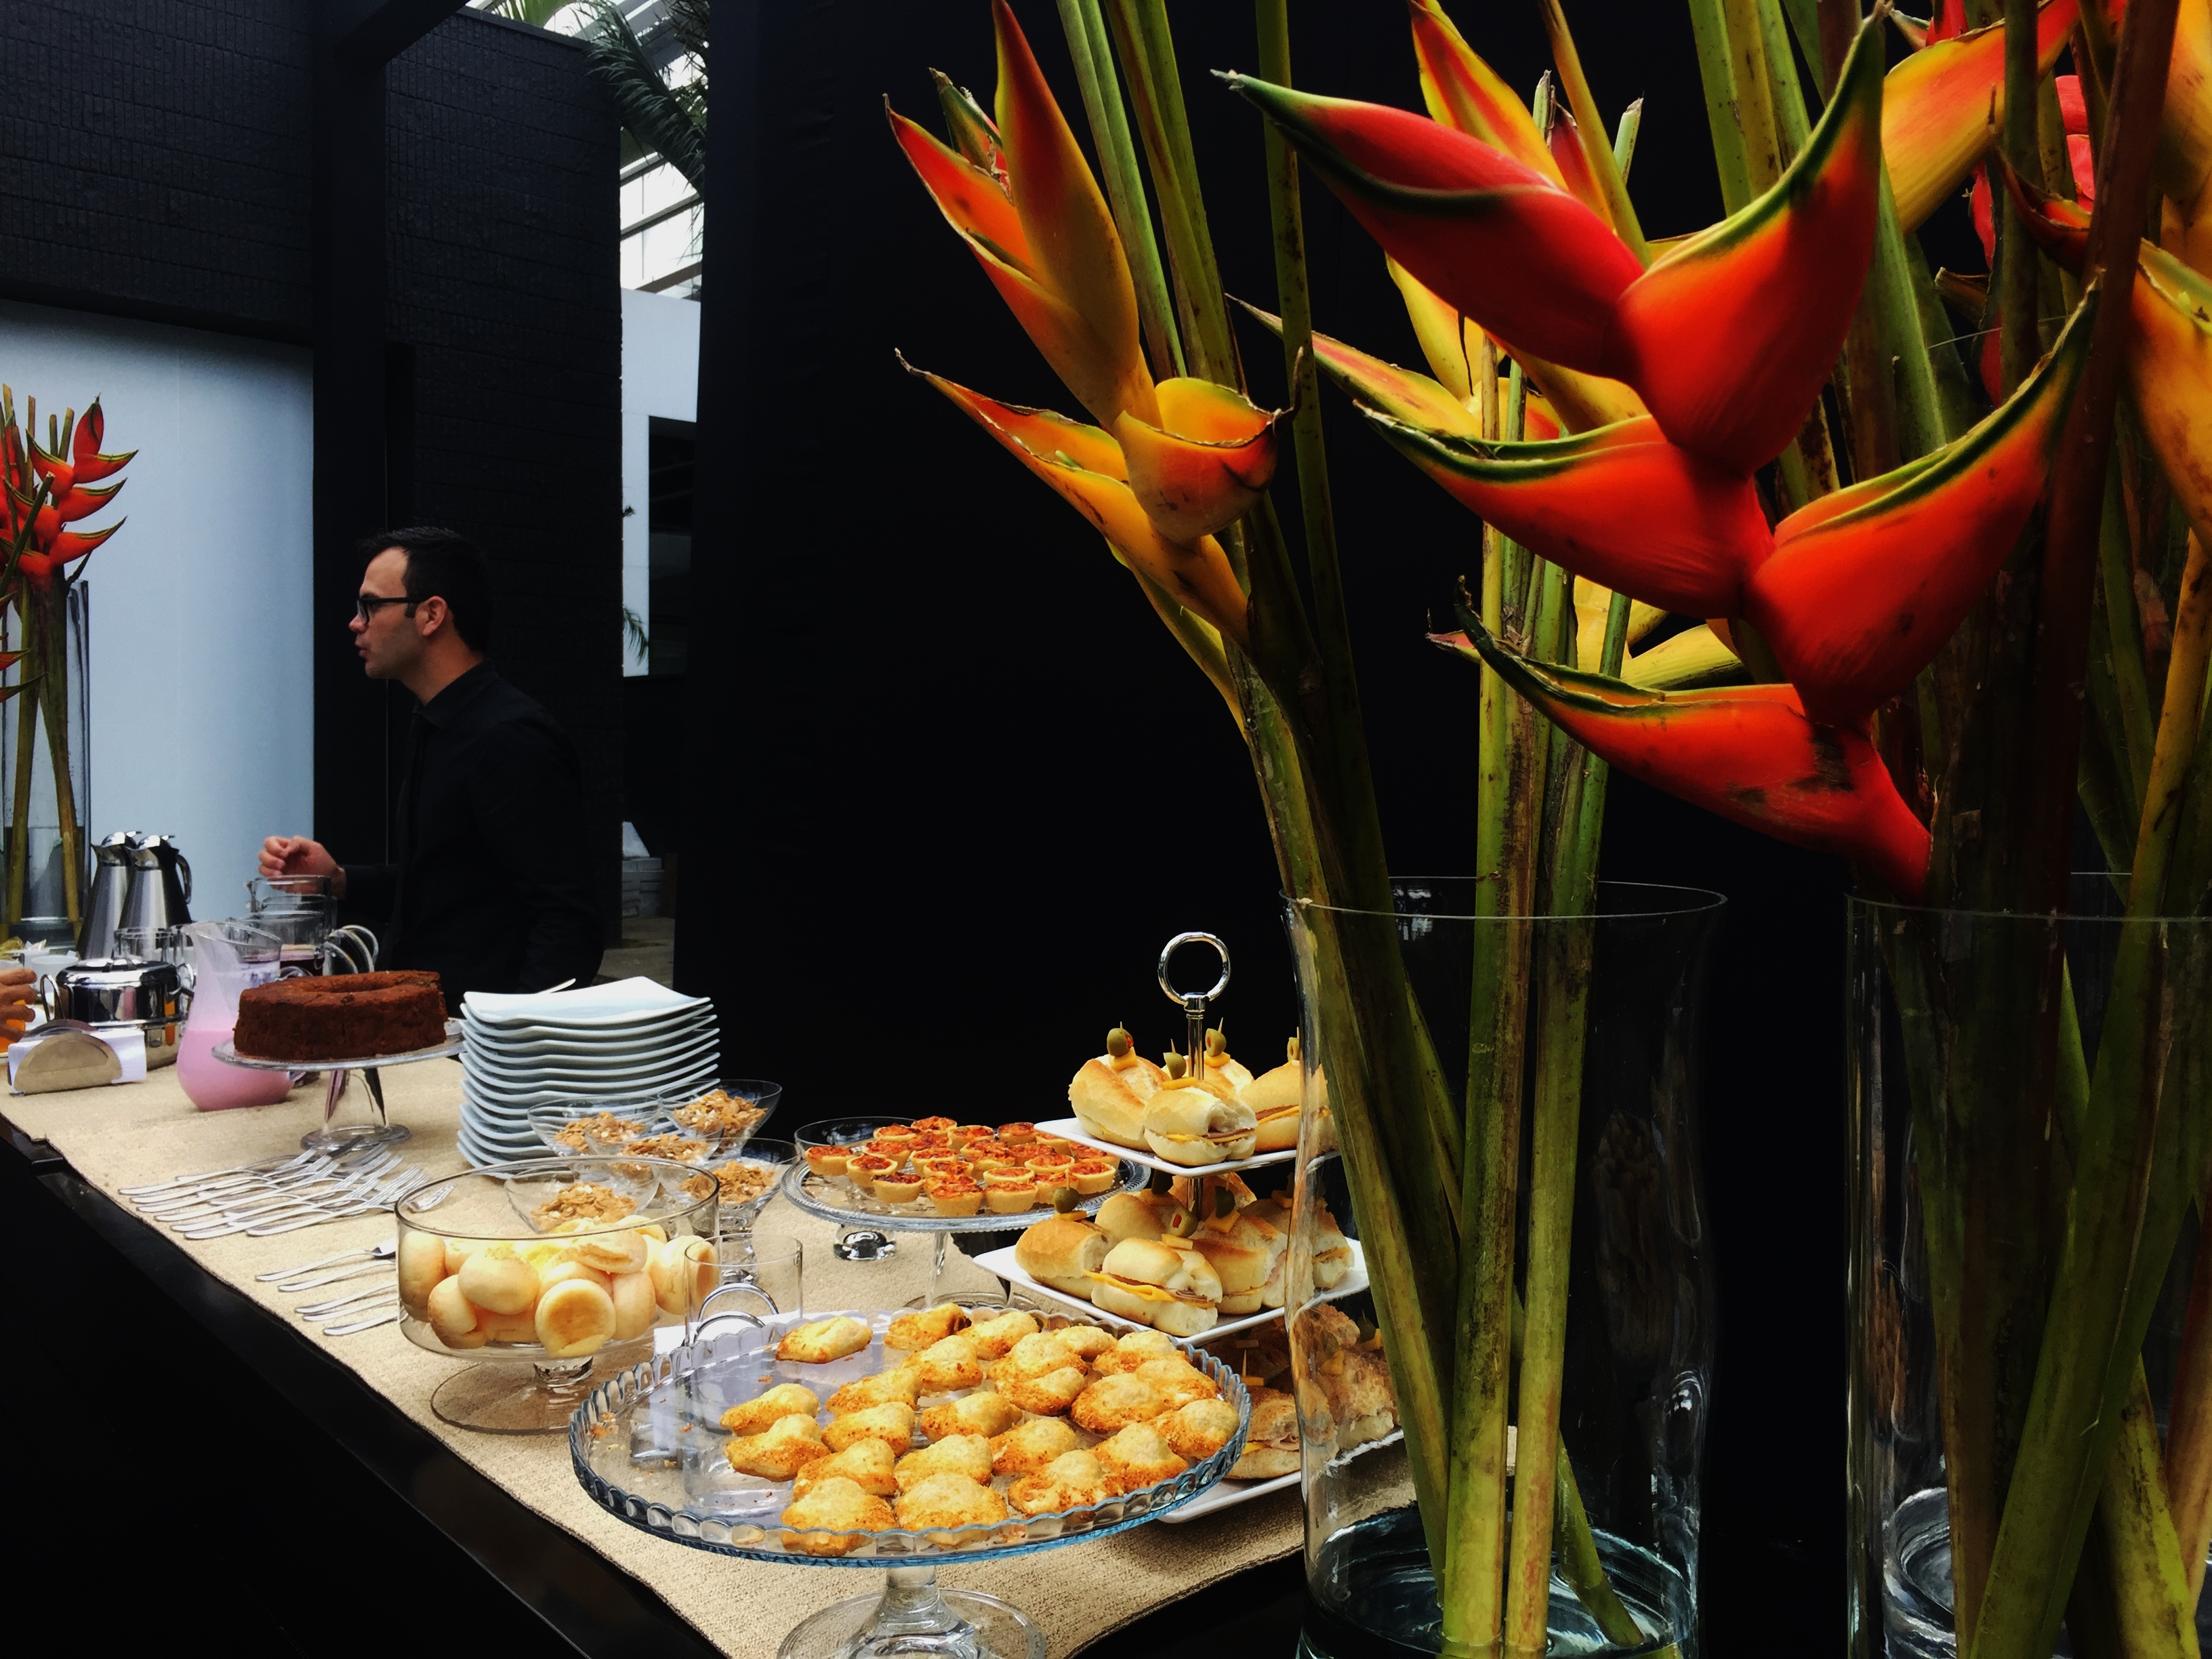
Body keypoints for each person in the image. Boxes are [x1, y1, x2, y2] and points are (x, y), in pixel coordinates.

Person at [260, 527, 602, 1005]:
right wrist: (338, 880)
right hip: (432, 1031)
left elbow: (568, 920)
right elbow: (444, 889)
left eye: (370, 606)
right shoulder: (437, 725)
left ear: (431, 614)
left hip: (479, 1042)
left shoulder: (510, 737)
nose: (355, 623)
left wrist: (513, 1038)